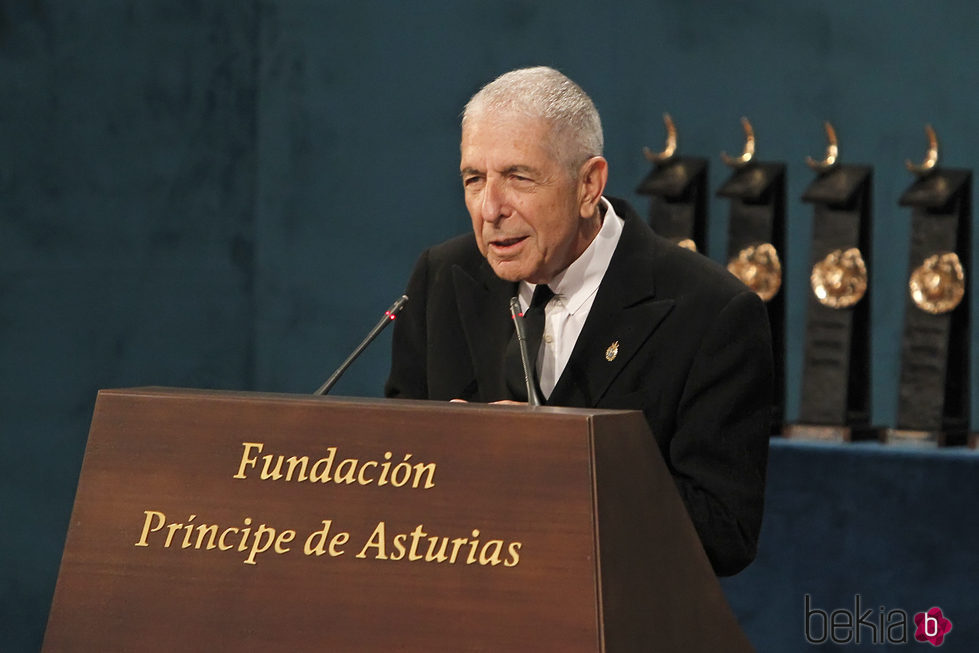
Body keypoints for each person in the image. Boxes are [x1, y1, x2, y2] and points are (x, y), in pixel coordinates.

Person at [385, 66, 773, 576]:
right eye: (474, 180)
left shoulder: (710, 312)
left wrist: (557, 461)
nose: (490, 208)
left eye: (518, 178)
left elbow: (724, 534)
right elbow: (395, 475)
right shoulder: (441, 278)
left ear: (589, 184)